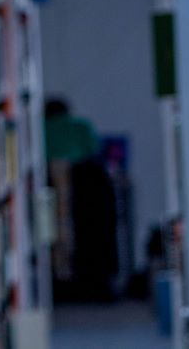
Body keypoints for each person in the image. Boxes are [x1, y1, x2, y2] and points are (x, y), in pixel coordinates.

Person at [44, 96, 118, 303]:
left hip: (53, 193)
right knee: (94, 236)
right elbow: (95, 152)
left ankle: (61, 280)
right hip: (87, 193)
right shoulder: (81, 126)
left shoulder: (40, 128)